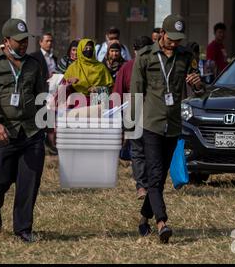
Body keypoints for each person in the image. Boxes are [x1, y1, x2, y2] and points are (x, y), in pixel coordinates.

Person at [130, 14, 204, 243]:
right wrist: (131, 126)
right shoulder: (145, 57)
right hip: (151, 123)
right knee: (154, 174)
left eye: (178, 39)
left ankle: (144, 218)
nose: (174, 43)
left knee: (159, 177)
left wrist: (198, 84)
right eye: (171, 38)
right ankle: (162, 222)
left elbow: (200, 90)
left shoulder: (186, 57)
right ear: (162, 33)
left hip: (172, 125)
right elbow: (135, 94)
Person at [0, 18, 47, 243]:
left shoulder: (34, 64)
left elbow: (41, 96)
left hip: (31, 131)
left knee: (29, 181)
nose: (24, 44)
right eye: (19, 41)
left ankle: (23, 228)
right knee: (2, 178)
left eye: (26, 40)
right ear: (6, 41)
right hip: (4, 131)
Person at [114, 36, 153, 200]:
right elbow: (118, 93)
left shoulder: (129, 66)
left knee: (140, 151)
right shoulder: (132, 67)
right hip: (142, 113)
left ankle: (143, 186)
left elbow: (117, 93)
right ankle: (144, 185)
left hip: (145, 114)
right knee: (142, 150)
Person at [64, 39, 113, 103]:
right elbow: (62, 86)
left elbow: (110, 87)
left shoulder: (101, 67)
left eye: (90, 48)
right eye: (86, 48)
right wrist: (69, 81)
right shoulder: (73, 67)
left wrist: (98, 89)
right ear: (80, 49)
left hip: (97, 103)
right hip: (77, 103)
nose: (88, 50)